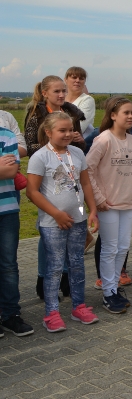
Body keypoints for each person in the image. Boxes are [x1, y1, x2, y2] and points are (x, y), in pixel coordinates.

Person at [26, 112, 100, 332]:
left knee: (77, 264)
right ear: (48, 132)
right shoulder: (40, 157)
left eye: (70, 130)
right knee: (55, 267)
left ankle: (79, 306)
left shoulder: (76, 152)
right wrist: (56, 214)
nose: (68, 134)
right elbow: (32, 191)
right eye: (62, 130)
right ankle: (51, 313)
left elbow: (85, 184)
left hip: (78, 219)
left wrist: (93, 210)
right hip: (53, 223)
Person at [25, 75, 86, 300]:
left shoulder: (71, 112)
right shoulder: (36, 114)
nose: (61, 95)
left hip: (70, 178)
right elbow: (30, 146)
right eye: (56, 91)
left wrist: (76, 139)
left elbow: (78, 147)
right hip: (48, 178)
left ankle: (67, 278)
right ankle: (44, 279)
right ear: (45, 93)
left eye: (63, 91)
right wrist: (53, 147)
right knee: (49, 234)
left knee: (71, 232)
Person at [85, 97, 132, 314]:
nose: (131, 116)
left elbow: (127, 167)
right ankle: (108, 293)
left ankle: (114, 287)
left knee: (123, 247)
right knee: (110, 248)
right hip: (108, 204)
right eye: (126, 112)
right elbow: (88, 169)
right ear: (113, 115)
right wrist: (98, 198)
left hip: (127, 202)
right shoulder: (103, 140)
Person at [0, 126, 34, 338]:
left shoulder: (6, 135)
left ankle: (11, 314)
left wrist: (4, 167)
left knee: (8, 266)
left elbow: (11, 171)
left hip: (7, 211)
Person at [64, 67, 96, 151]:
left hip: (79, 145)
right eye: (74, 77)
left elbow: (80, 126)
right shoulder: (61, 99)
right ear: (65, 79)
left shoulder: (87, 100)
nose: (77, 80)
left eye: (81, 78)